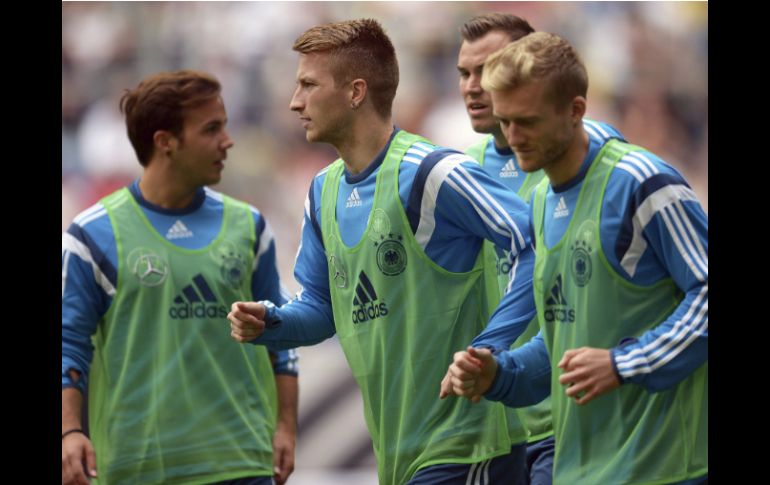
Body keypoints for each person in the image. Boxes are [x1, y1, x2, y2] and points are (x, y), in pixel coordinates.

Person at [228, 18, 537, 485]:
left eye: (309, 85)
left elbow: (532, 243)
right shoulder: (322, 191)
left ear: (356, 92)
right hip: (398, 451)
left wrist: (489, 346)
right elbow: (319, 309)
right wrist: (270, 322)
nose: (295, 102)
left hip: (467, 445)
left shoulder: (433, 173)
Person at [442, 32, 708, 484]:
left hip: (662, 469)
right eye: (506, 122)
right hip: (583, 470)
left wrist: (625, 364)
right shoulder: (542, 200)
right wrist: (498, 374)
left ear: (576, 110)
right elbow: (561, 344)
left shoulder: (641, 183)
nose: (514, 137)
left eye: (527, 121)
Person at [61, 70, 299, 485]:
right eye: (212, 129)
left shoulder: (249, 226)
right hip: (136, 469)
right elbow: (69, 346)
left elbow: (283, 336)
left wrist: (286, 426)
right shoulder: (92, 235)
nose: (228, 140)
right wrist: (70, 431)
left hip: (242, 463)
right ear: (164, 141)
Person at [456, 14, 625, 485]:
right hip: (499, 417)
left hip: (573, 408)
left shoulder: (595, 155)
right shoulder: (459, 170)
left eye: (486, 70)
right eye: (464, 74)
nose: (474, 86)